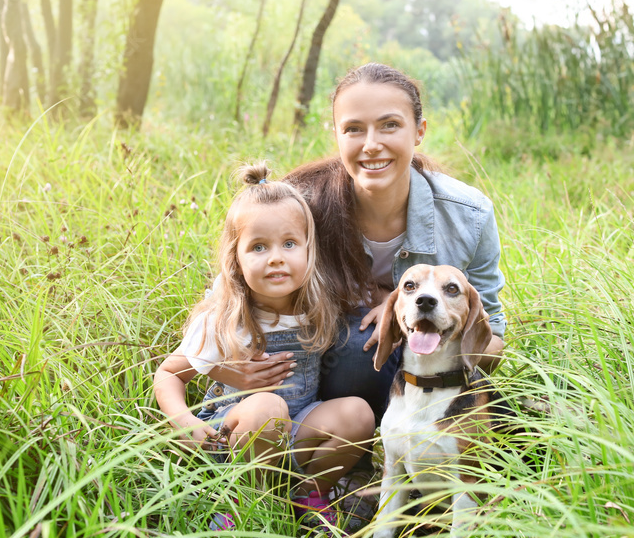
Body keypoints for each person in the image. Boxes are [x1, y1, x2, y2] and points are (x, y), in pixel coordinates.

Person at [217, 62, 507, 420]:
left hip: (433, 360)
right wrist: (227, 368)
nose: (371, 145)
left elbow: (492, 338)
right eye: (354, 129)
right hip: (319, 362)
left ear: (419, 131)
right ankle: (348, 444)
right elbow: (231, 288)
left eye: (389, 125)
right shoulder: (300, 207)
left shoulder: (470, 215)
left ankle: (414, 442)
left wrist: (410, 311)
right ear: (337, 136)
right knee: (359, 345)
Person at [152, 163, 375, 529]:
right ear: (235, 260)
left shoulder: (317, 305)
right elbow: (169, 374)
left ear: (309, 250)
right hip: (235, 436)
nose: (276, 257)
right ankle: (243, 506)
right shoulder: (227, 318)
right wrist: (185, 423)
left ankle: (307, 495)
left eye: (289, 244)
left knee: (357, 413)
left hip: (296, 431)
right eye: (258, 247)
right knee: (268, 408)